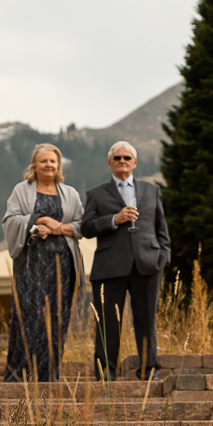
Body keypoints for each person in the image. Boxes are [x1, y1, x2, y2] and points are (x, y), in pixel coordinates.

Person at [80, 141, 170, 381]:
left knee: (146, 321)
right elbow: (86, 228)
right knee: (107, 324)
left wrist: (163, 256)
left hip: (148, 265)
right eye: (117, 158)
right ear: (110, 162)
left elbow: (161, 228)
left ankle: (149, 371)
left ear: (135, 163)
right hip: (110, 267)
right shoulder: (96, 194)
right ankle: (106, 375)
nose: (122, 161)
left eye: (127, 158)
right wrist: (114, 219)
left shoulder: (152, 191)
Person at [1, 144, 84, 382]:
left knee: (57, 317)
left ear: (59, 166)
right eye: (43, 161)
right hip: (31, 262)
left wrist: (58, 227)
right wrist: (37, 223)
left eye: (53, 161)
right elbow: (10, 220)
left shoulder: (70, 193)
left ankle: (49, 374)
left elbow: (81, 224)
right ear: (34, 166)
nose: (48, 165)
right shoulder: (21, 190)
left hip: (63, 263)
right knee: (29, 315)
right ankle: (20, 374)